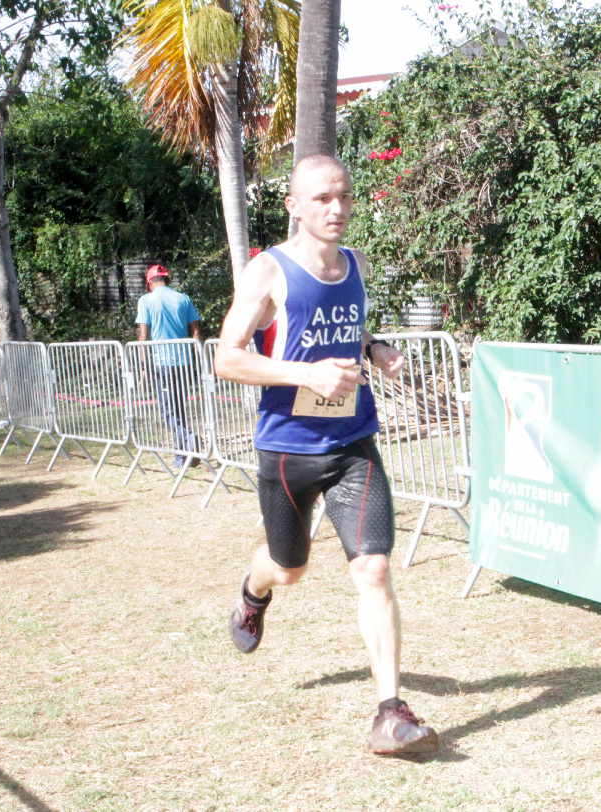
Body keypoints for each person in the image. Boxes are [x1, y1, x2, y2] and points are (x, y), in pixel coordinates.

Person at [213, 155, 438, 756]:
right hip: (288, 447)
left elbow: (344, 328)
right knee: (289, 568)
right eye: (321, 199)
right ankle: (253, 591)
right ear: (294, 205)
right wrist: (305, 374)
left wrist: (375, 345)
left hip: (352, 443)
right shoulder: (269, 270)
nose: (336, 208)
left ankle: (390, 713)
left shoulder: (356, 264)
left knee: (374, 569)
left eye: (344, 196)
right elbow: (227, 357)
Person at [135, 264, 202, 469]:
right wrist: (200, 359)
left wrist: (144, 366)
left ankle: (189, 439)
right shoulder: (183, 298)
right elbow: (196, 332)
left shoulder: (146, 300)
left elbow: (143, 336)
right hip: (184, 361)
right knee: (179, 407)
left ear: (150, 282)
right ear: (167, 279)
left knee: (167, 410)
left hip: (162, 362)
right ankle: (182, 456)